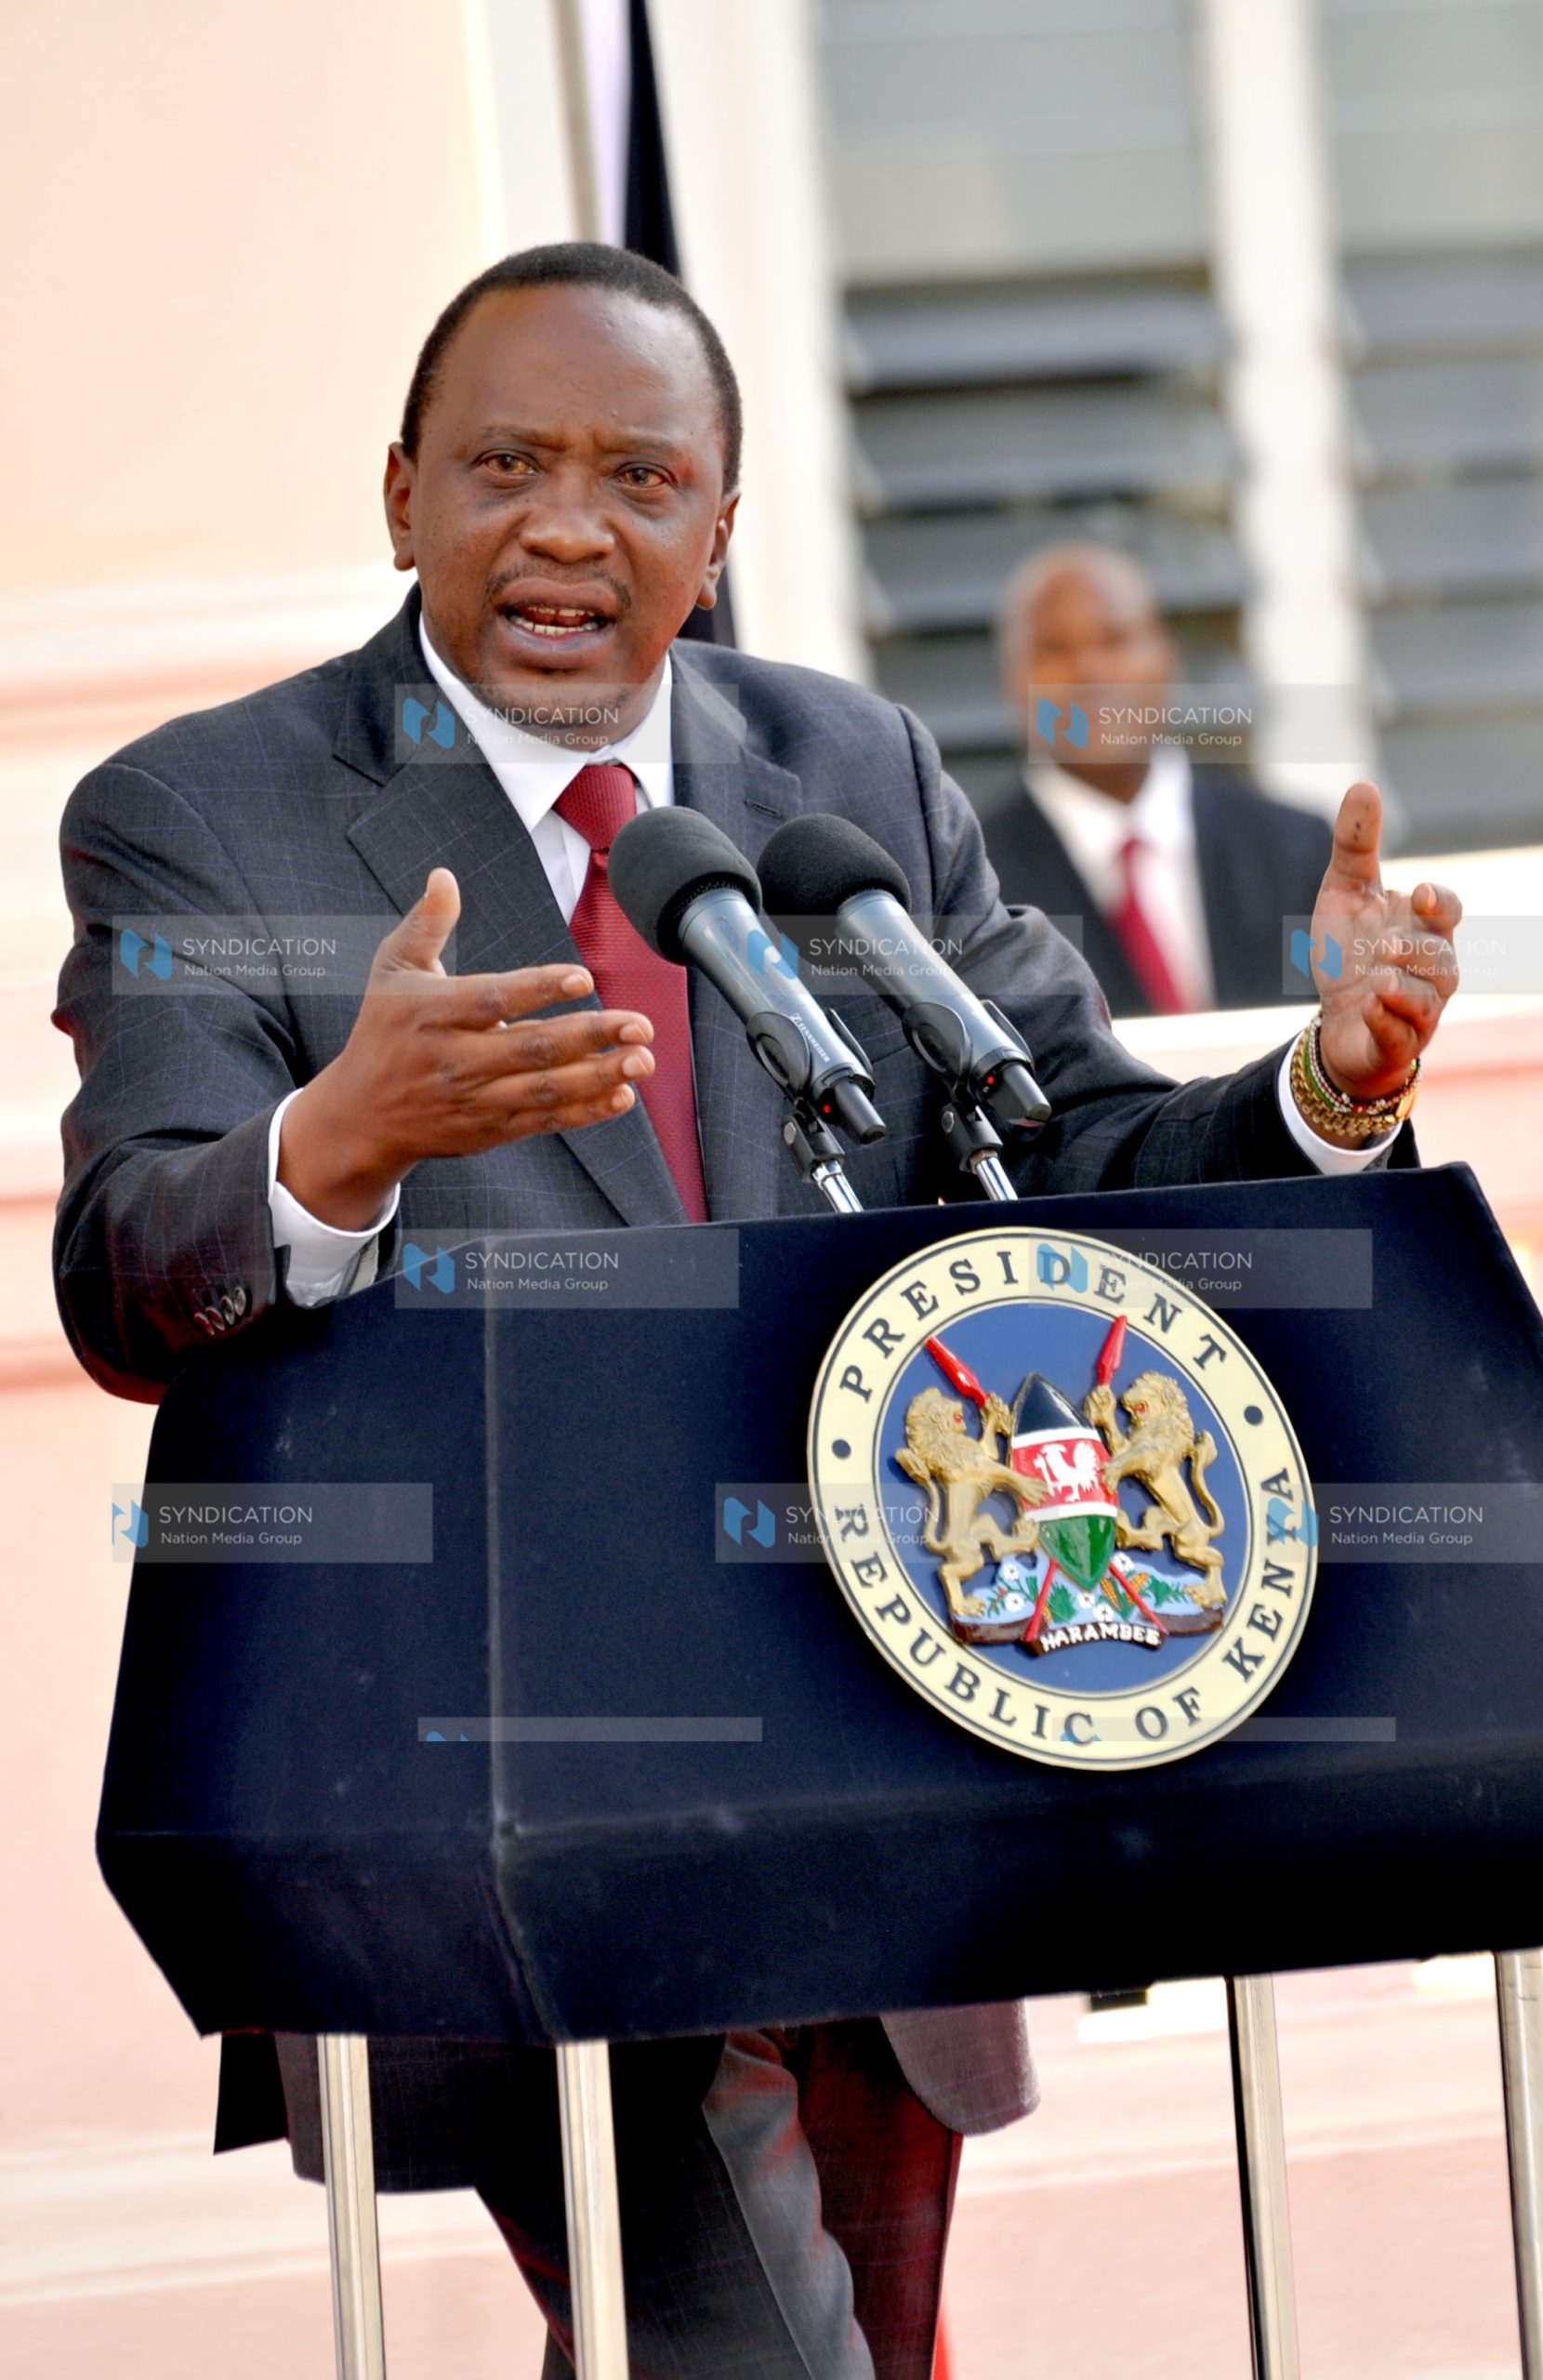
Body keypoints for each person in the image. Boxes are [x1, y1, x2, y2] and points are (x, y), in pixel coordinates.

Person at [53, 244, 1459, 2379]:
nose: (563, 523)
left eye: (637, 474)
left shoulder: (844, 770)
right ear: (400, 494)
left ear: (718, 527)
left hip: (882, 1742)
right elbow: (129, 1270)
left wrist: (1321, 1085)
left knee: (842, 2350)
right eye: (503, 463)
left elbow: (1059, 1143)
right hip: (513, 1794)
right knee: (754, 2348)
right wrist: (334, 1140)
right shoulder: (204, 809)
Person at [983, 542, 1336, 1014]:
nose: (1090, 671)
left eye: (1116, 639)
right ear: (1014, 683)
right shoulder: (975, 889)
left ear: (1169, 660)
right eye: (1055, 649)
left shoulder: (1296, 851)